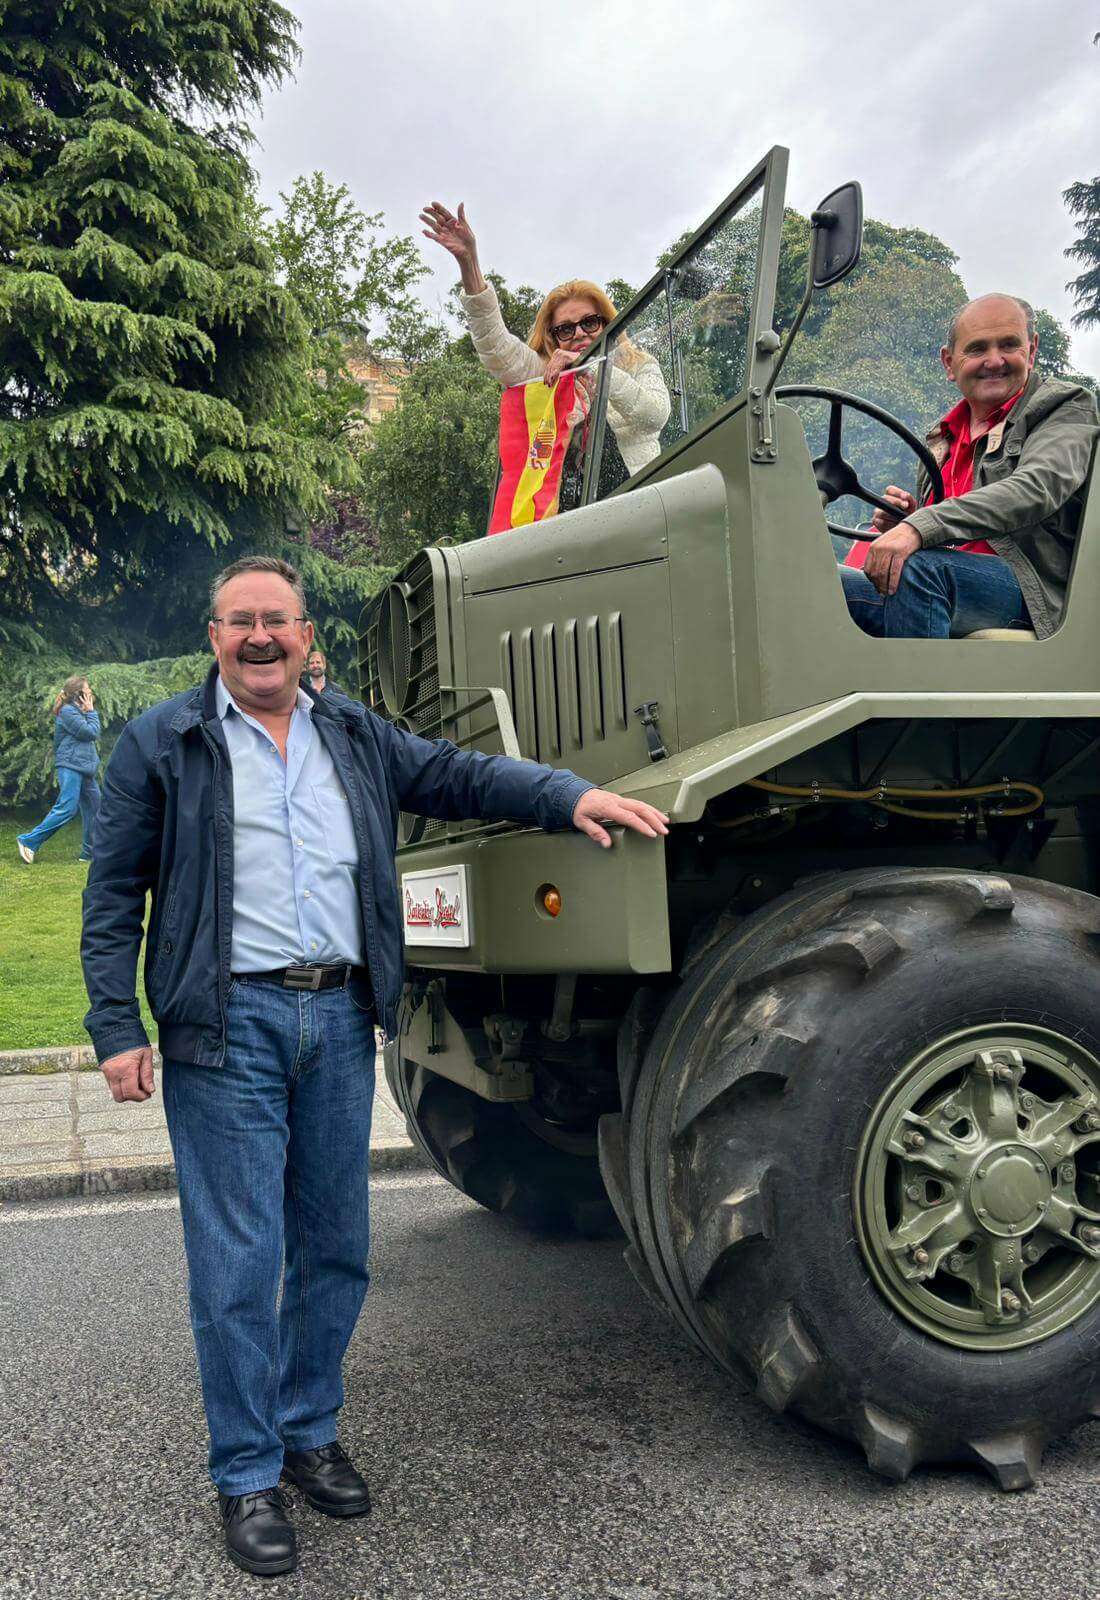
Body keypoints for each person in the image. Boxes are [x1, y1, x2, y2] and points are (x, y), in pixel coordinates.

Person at [81, 554, 668, 1579]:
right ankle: (246, 1473)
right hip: (225, 1026)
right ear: (213, 638)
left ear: (307, 635)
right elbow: (112, 892)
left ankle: (307, 1432)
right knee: (238, 1262)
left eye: (277, 619)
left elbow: (461, 774)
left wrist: (570, 795)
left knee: (336, 1246)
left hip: (341, 1017)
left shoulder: (351, 732)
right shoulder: (163, 742)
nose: (260, 637)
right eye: (239, 621)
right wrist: (115, 1028)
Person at [839, 294, 1099, 639]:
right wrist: (905, 521)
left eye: (1009, 345)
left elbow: (1036, 488)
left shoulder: (1063, 407)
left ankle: (918, 676)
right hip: (945, 582)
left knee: (921, 570)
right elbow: (943, 533)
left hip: (1032, 591)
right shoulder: (941, 437)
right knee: (824, 584)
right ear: (949, 363)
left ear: (1032, 350)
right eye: (977, 349)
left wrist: (920, 526)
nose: (995, 360)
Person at [420, 200, 671, 478]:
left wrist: (592, 368)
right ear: (554, 339)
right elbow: (498, 349)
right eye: (565, 329)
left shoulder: (638, 363)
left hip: (638, 496)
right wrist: (469, 263)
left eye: (589, 322)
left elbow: (655, 415)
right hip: (564, 502)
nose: (579, 333)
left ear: (607, 323)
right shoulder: (550, 375)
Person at [16, 675, 101, 864]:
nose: (90, 691)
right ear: (79, 694)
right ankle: (28, 841)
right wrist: (91, 712)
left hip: (84, 767)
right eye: (87, 688)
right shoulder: (68, 712)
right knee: (67, 807)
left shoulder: (79, 712)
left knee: (95, 807)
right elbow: (91, 733)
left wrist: (88, 712)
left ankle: (89, 852)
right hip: (71, 765)